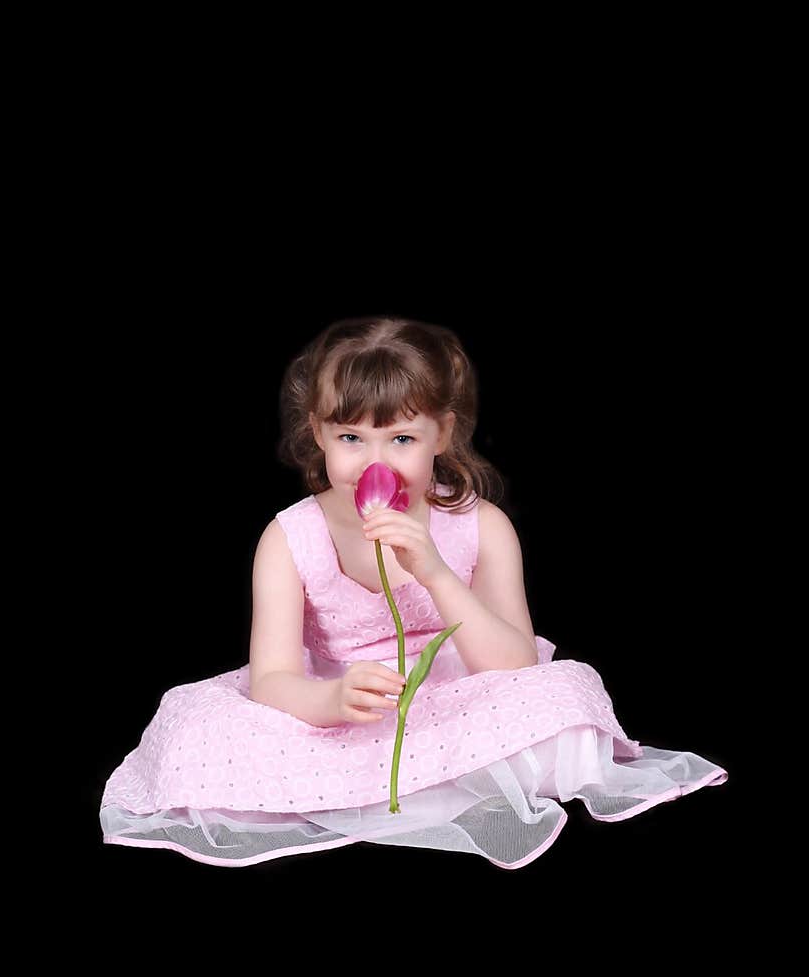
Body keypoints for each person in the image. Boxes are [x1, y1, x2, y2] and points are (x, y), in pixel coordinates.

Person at [99, 315, 728, 868]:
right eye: (351, 438)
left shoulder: (480, 524)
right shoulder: (289, 537)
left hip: (460, 698)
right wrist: (332, 698)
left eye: (402, 439)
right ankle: (385, 785)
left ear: (442, 435)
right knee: (197, 732)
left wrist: (433, 571)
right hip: (344, 706)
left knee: (568, 691)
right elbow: (272, 679)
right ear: (318, 434)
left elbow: (512, 663)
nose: (378, 461)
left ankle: (391, 787)